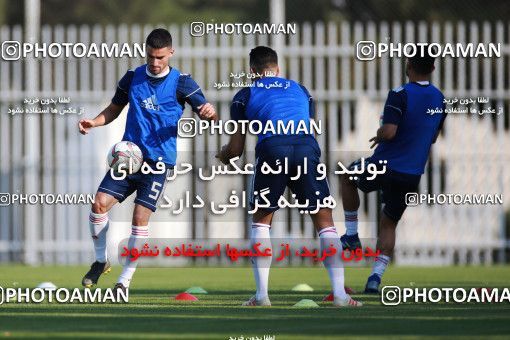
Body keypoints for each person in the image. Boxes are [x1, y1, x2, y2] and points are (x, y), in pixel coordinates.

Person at [217, 46, 362, 307]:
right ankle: (340, 295)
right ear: (278, 69)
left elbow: (236, 148)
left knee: (261, 222)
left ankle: (262, 296)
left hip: (272, 149)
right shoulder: (300, 90)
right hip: (306, 148)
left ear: (252, 71)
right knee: (325, 222)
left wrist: (224, 155)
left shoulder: (244, 96)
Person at [78, 28, 217, 292]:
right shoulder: (132, 77)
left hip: (158, 163)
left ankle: (124, 282)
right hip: (128, 159)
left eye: (160, 57)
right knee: (98, 205)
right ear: (145, 52)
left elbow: (206, 112)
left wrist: (209, 113)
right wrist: (93, 122)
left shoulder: (182, 83)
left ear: (171, 53)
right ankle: (100, 261)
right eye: (151, 56)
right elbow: (114, 109)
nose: (155, 63)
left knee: (139, 219)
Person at [340, 48, 447, 293]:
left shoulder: (399, 94)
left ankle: (352, 235)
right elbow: (432, 138)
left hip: (386, 164)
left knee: (346, 176)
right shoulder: (440, 99)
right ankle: (375, 278)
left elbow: (389, 131)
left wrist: (379, 134)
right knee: (388, 224)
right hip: (411, 174)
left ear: (408, 65)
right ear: (432, 68)